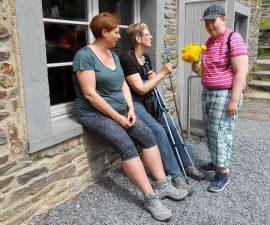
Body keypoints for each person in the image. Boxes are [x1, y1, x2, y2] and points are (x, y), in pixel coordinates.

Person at [72, 13, 188, 222]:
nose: (119, 36)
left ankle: (163, 185)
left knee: (148, 136)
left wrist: (130, 109)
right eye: (116, 32)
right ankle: (150, 197)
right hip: (94, 114)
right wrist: (118, 117)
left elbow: (123, 84)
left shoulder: (113, 55)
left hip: (122, 111)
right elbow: (90, 94)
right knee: (125, 144)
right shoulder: (84, 56)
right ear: (104, 32)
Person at [119, 23, 205, 196]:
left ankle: (187, 165)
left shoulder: (147, 58)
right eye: (147, 34)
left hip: (149, 100)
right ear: (138, 38)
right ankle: (175, 174)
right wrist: (162, 74)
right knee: (158, 130)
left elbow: (148, 84)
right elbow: (140, 89)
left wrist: (152, 77)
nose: (151, 37)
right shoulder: (127, 58)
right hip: (134, 102)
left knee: (171, 126)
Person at [192, 5, 248, 192]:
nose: (209, 25)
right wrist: (197, 67)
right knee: (209, 130)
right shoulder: (209, 42)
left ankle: (222, 172)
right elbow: (207, 70)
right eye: (206, 22)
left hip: (225, 93)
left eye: (213, 21)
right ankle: (216, 161)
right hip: (209, 91)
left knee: (220, 131)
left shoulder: (234, 38)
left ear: (223, 19)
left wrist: (234, 100)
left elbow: (241, 72)